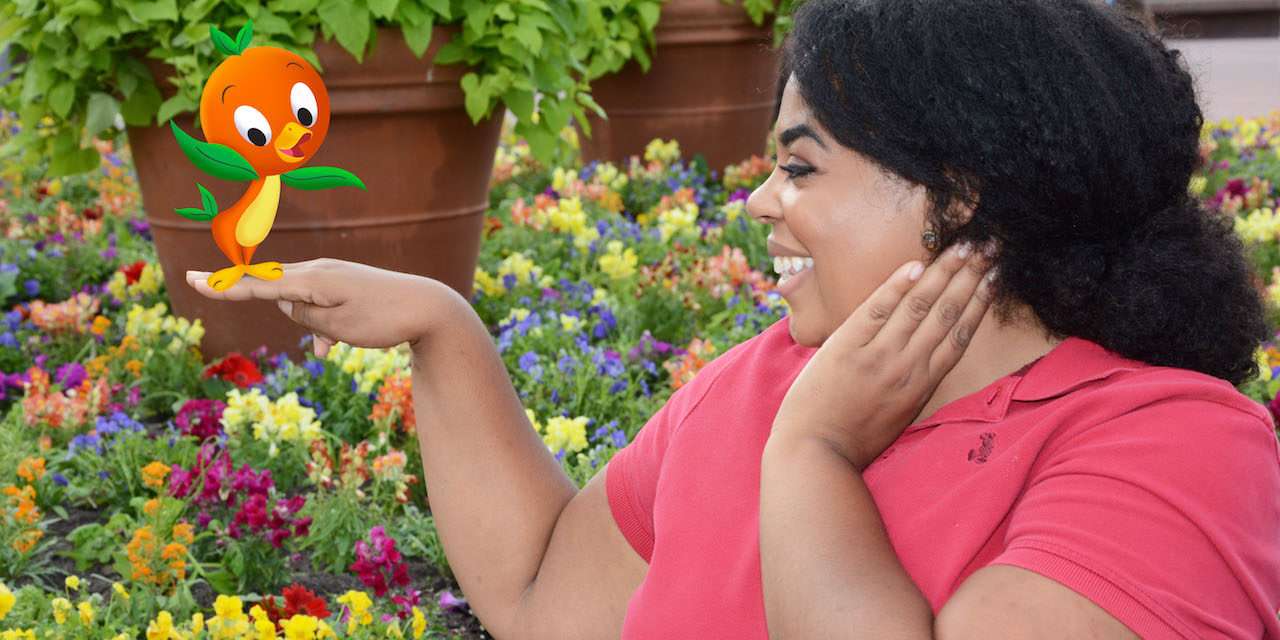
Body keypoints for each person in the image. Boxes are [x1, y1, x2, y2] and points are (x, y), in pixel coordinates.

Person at [186, 0, 1280, 637]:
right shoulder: (756, 382)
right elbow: (541, 597)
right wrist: (441, 327)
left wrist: (812, 454)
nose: (757, 203)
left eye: (798, 166)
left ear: (958, 193)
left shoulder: (1175, 446)